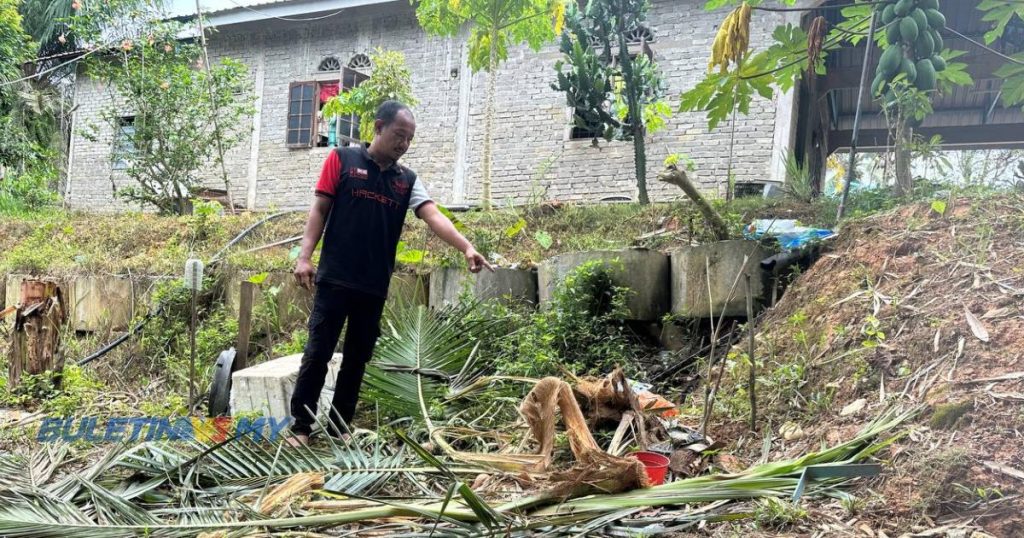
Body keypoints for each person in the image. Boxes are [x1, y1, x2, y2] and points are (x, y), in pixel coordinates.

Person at [288, 100, 492, 446]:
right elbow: (319, 209)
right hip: (335, 278)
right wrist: (305, 257)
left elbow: (434, 216)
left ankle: (339, 427)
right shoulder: (341, 159)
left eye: (410, 139)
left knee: (357, 358)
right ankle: (301, 428)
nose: (404, 143)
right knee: (318, 352)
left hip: (373, 286)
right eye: (400, 134)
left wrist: (466, 246)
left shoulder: (406, 180)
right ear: (379, 127)